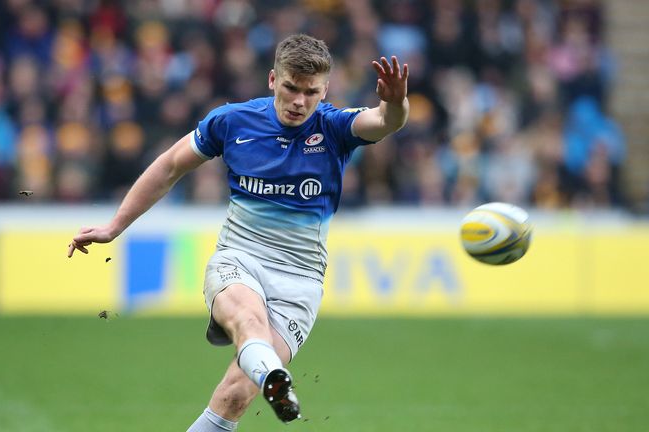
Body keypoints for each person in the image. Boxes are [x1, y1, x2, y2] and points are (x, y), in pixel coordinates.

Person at [67, 34, 409, 430]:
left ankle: (266, 378)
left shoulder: (334, 128)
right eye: (290, 88)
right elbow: (170, 166)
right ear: (271, 80)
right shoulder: (232, 121)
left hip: (300, 280)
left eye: (310, 92)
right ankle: (274, 379)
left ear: (325, 90)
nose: (299, 101)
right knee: (249, 322)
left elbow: (385, 121)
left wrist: (396, 101)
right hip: (240, 259)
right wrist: (114, 226)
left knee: (233, 396)